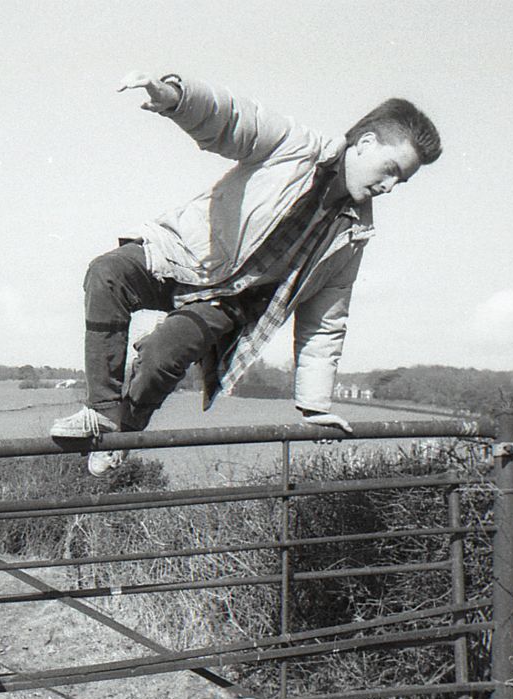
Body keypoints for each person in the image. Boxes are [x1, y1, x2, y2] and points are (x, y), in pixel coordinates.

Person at [49, 74, 441, 475]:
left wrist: (315, 406)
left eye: (402, 180)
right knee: (107, 272)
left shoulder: (353, 234)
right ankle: (101, 412)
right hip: (185, 255)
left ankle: (121, 436)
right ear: (366, 143)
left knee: (163, 355)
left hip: (228, 301)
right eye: (391, 169)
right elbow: (234, 118)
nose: (391, 186)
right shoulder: (294, 146)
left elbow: (325, 323)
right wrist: (177, 96)